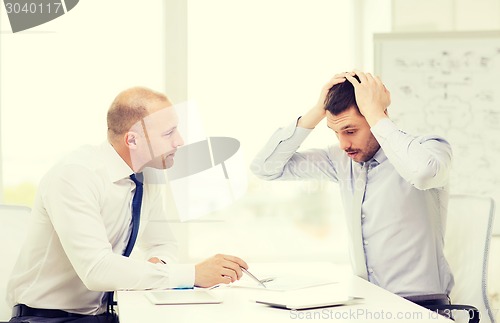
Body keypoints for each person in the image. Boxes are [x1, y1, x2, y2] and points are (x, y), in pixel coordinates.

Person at [7, 87, 248, 322]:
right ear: (132, 140)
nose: (180, 141)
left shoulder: (147, 176)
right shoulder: (75, 175)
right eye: (168, 133)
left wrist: (159, 266)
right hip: (45, 318)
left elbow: (162, 243)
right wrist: (193, 274)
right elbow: (97, 270)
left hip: (104, 314)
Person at [250, 71, 454, 306]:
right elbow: (265, 168)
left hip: (422, 305)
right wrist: (317, 110)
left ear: (378, 117)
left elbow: (423, 173)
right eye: (336, 133)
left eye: (350, 131)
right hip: (366, 303)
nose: (343, 144)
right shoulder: (340, 160)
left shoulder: (429, 149)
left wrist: (376, 113)